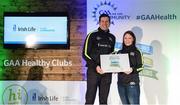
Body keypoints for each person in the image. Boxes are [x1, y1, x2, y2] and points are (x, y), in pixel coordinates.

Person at [82, 14, 116, 105]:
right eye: (102, 21)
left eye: (107, 21)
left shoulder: (112, 37)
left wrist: (114, 66)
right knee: (90, 100)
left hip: (106, 73)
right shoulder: (92, 35)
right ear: (99, 22)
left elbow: (111, 55)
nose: (104, 23)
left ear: (109, 23)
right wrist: (96, 66)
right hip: (93, 71)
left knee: (104, 101)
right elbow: (84, 54)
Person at [117, 31, 143, 105]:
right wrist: (115, 69)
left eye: (129, 38)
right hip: (120, 84)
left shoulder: (137, 52)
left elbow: (141, 67)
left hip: (132, 84)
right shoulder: (119, 52)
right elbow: (117, 65)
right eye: (125, 38)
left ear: (133, 39)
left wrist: (132, 70)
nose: (127, 40)